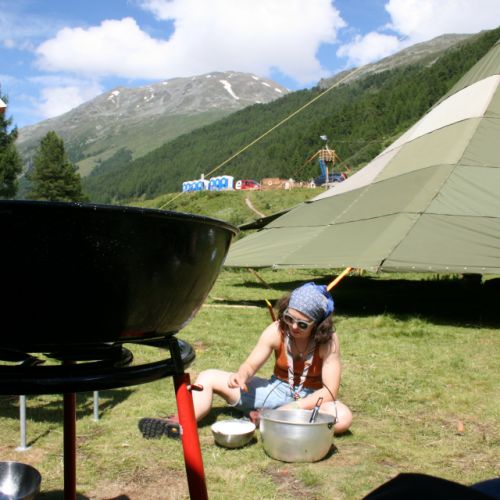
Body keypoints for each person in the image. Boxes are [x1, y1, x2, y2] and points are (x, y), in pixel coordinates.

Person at [139, 282, 352, 439]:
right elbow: (251, 364)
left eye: (303, 324)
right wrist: (242, 375)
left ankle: (268, 419)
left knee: (342, 418)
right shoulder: (276, 330)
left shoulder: (328, 341)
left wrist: (294, 407)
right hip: (275, 390)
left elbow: (329, 391)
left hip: (311, 399)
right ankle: (179, 423)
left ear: (318, 324)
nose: (294, 327)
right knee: (208, 376)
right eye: (289, 318)